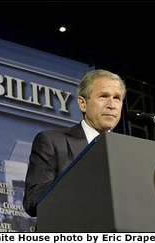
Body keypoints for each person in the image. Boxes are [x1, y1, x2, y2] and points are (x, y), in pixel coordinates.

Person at [23, 69, 126, 217]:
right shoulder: (51, 142)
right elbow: (33, 202)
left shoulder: (127, 152)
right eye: (103, 96)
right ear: (82, 104)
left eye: (117, 98)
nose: (112, 105)